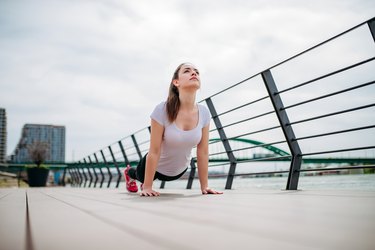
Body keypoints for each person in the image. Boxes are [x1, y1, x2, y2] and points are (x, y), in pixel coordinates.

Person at [124, 63, 223, 197]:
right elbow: (154, 150)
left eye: (197, 72)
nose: (194, 73)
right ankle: (130, 173)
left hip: (178, 172)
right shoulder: (162, 110)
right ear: (176, 82)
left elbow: (203, 151)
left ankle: (144, 179)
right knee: (139, 175)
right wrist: (147, 186)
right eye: (187, 71)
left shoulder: (204, 112)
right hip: (153, 167)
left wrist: (205, 186)